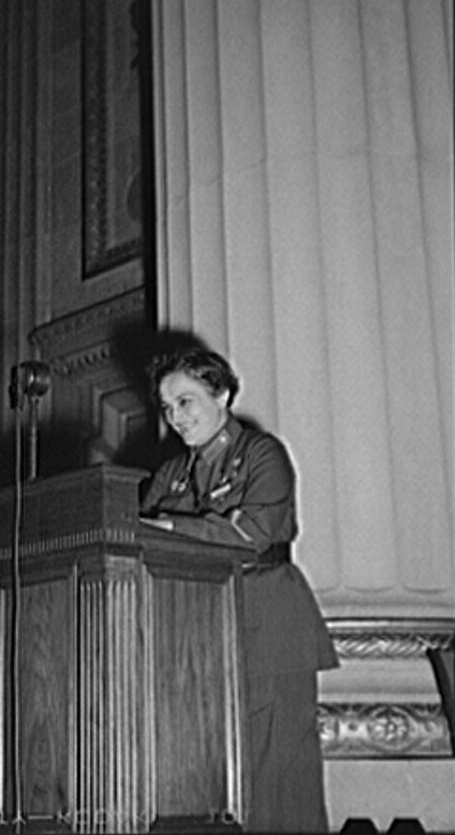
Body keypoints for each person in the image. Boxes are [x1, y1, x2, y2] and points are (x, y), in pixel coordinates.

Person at [141, 344, 338, 834]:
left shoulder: (260, 454)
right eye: (167, 408)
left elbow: (249, 535)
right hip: (198, 630)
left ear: (222, 393)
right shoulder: (171, 473)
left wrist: (168, 527)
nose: (175, 418)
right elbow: (139, 532)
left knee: (278, 775)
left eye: (185, 402)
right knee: (214, 777)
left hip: (268, 618)